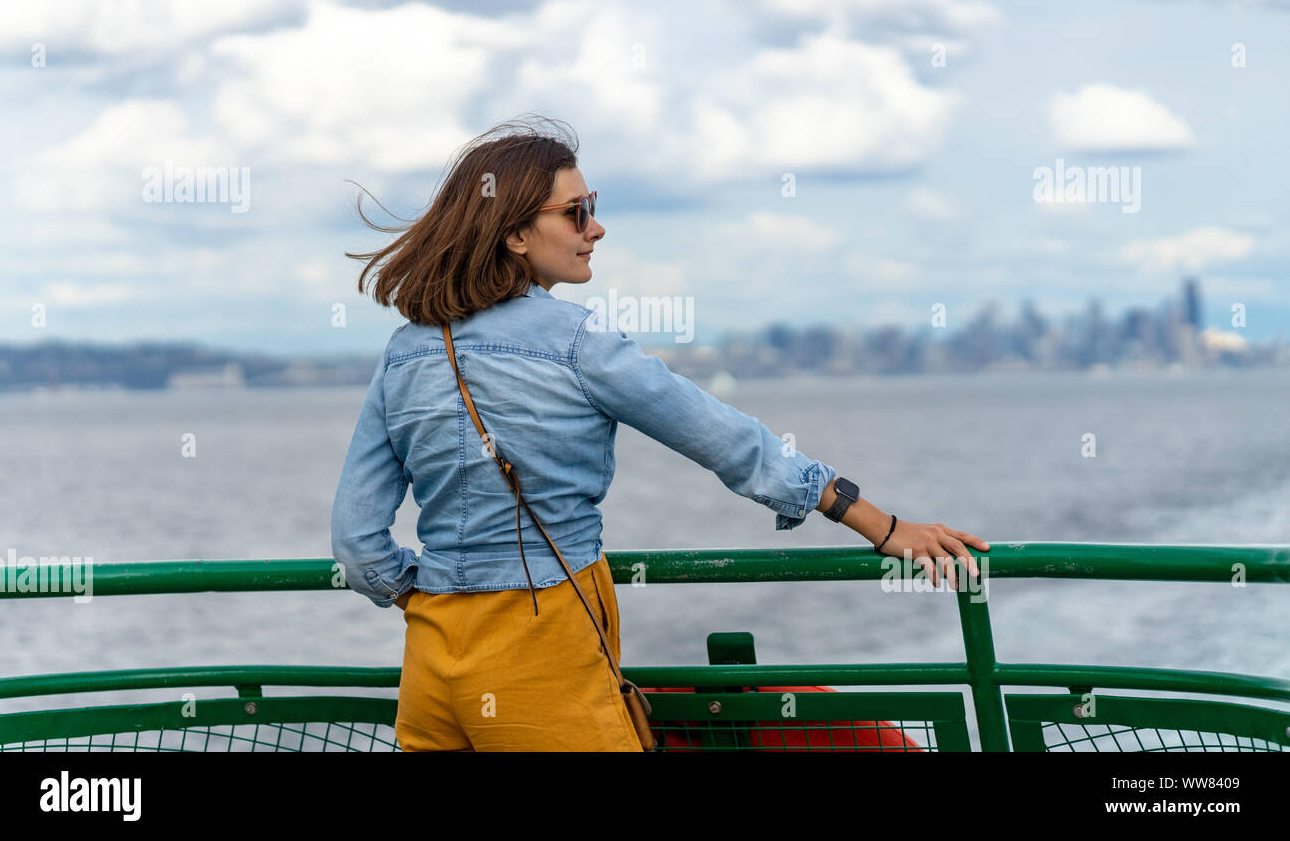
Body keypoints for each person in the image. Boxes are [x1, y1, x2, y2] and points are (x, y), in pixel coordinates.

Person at [330, 114, 990, 752]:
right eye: (577, 212)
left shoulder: (405, 352)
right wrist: (880, 523)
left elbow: (357, 541)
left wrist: (422, 594)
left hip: (431, 666)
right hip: (537, 657)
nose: (598, 228)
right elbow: (732, 442)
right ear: (515, 236)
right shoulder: (578, 344)